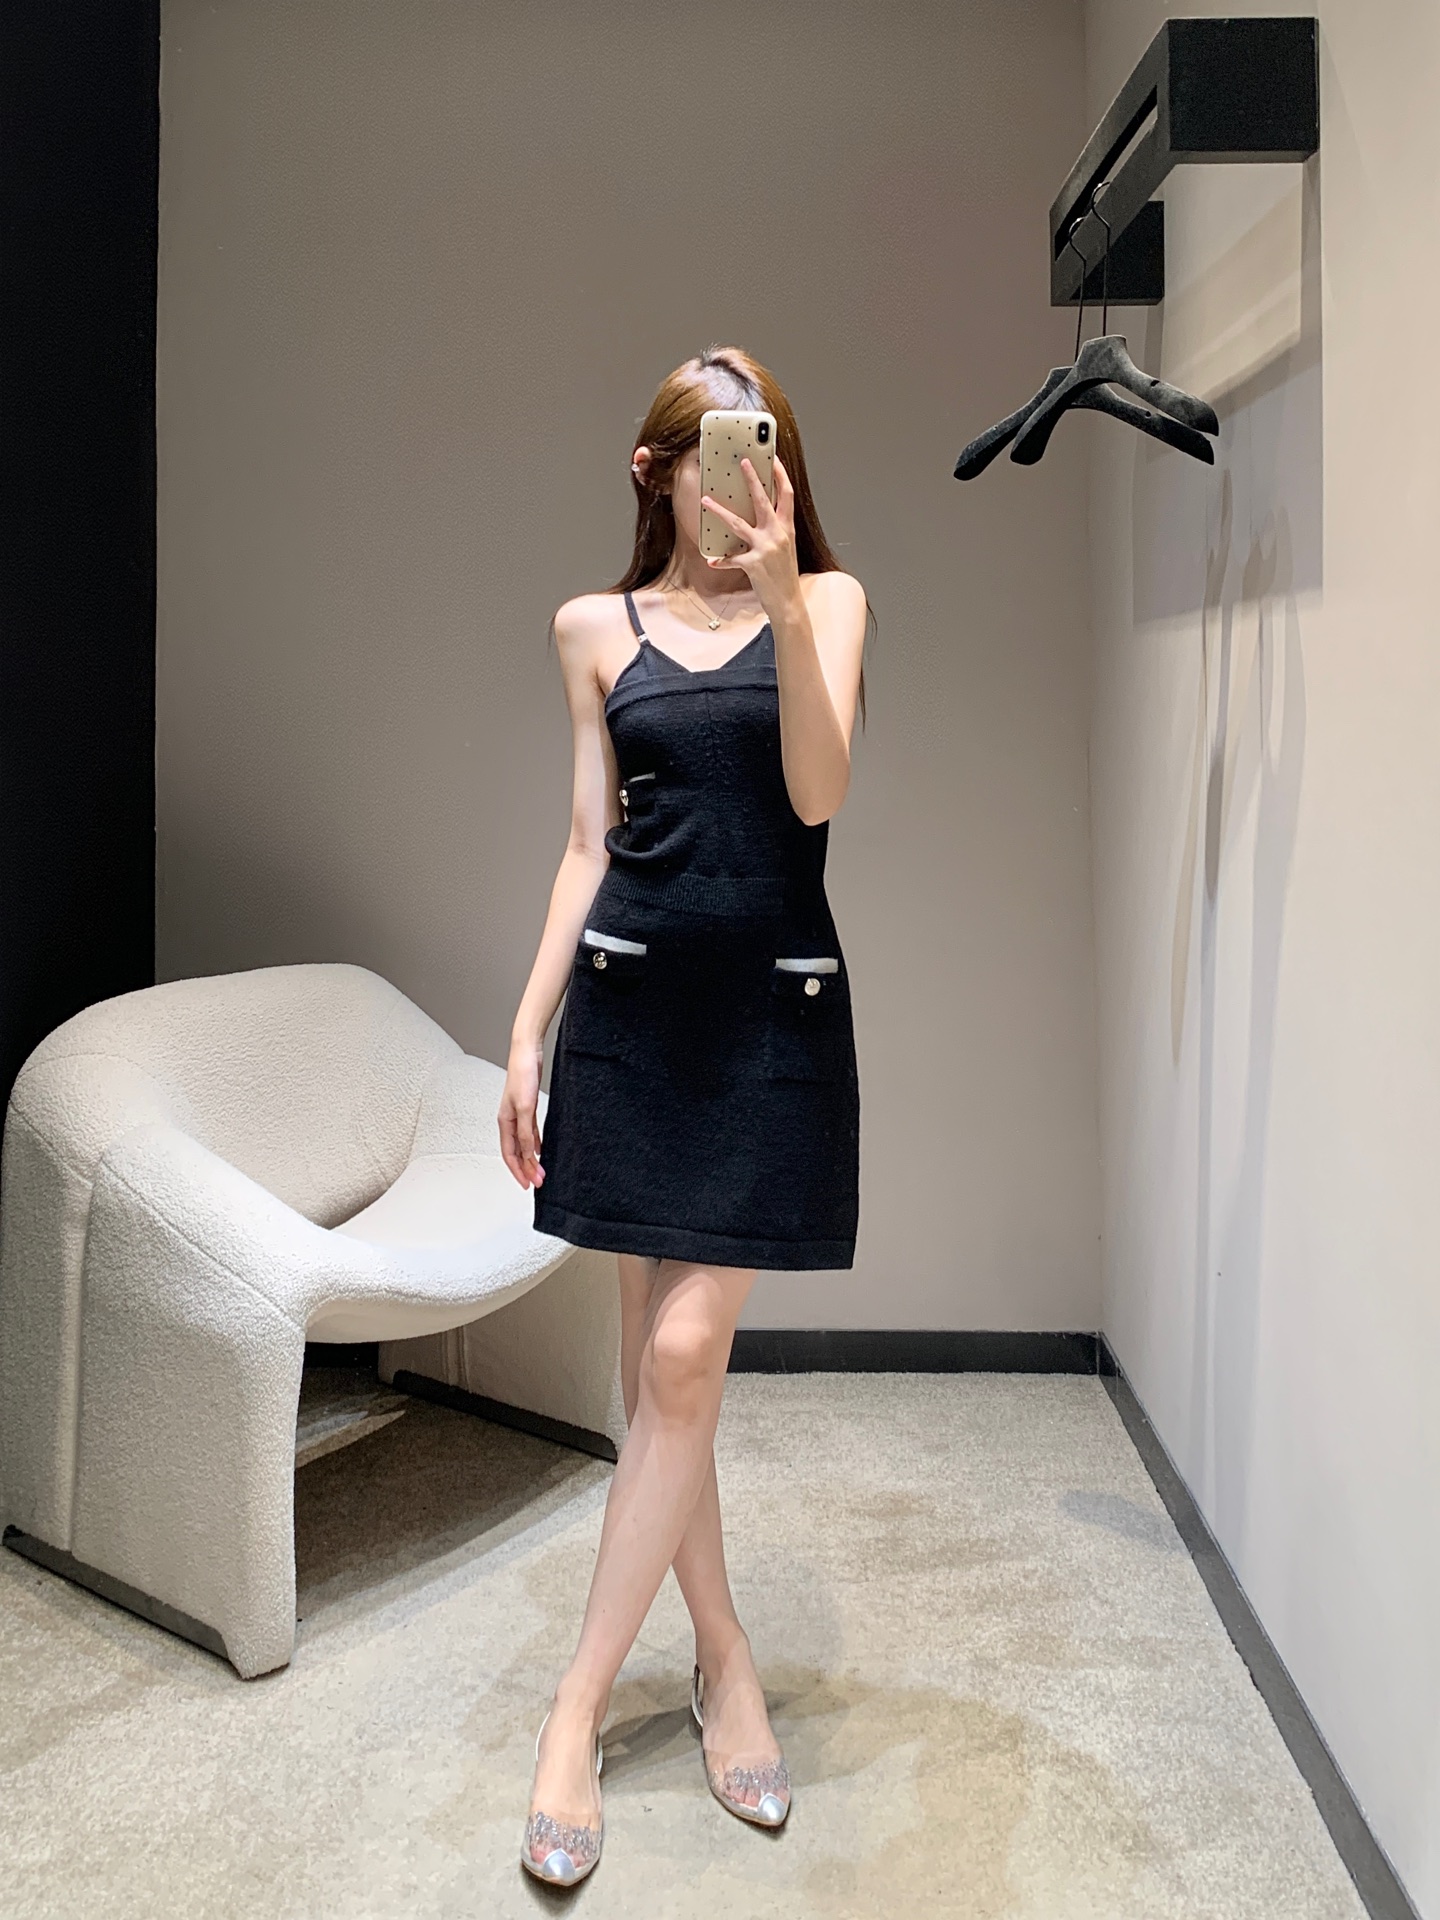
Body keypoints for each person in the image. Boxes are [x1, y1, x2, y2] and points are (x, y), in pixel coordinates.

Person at [499, 345, 866, 1886]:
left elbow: (819, 795)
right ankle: (724, 1662)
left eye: (759, 443)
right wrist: (527, 1032)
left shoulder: (829, 603)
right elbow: (590, 846)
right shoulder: (594, 629)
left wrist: (783, 596)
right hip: (631, 1020)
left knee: (676, 1358)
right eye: (711, 448)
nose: (739, 474)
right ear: (656, 471)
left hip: (770, 1016)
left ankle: (575, 1709)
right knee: (673, 1381)